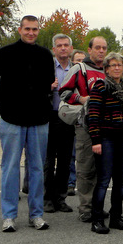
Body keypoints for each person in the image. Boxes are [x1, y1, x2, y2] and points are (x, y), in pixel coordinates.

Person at [0, 15, 55, 232]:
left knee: (36, 169)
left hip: (39, 120)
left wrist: (42, 101)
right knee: (10, 168)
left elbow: (48, 85)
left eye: (34, 29)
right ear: (20, 29)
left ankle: (36, 215)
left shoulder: (45, 55)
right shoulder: (5, 53)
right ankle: (9, 216)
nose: (31, 33)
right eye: (27, 29)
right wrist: (2, 103)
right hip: (12, 120)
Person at [59, 36, 107, 222]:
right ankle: (86, 208)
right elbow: (63, 91)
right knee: (86, 167)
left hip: (105, 126)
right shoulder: (79, 69)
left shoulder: (109, 69)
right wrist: (81, 99)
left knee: (102, 169)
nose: (101, 51)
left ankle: (97, 206)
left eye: (104, 48)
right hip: (85, 125)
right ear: (90, 50)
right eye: (97, 47)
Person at [87, 52, 123, 234]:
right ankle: (97, 219)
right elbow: (93, 114)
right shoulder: (100, 86)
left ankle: (116, 217)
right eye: (112, 65)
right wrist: (96, 140)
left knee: (120, 180)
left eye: (119, 65)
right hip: (105, 137)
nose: (116, 68)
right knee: (104, 180)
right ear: (106, 69)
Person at [43, 34, 75, 214]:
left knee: (65, 160)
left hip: (68, 119)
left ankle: (60, 198)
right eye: (59, 46)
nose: (63, 48)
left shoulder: (76, 69)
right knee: (49, 160)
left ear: (70, 49)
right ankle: (47, 198)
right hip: (49, 118)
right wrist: (48, 87)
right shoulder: (47, 69)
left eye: (65, 45)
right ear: (54, 49)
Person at [66, 49, 87, 197]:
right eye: (77, 60)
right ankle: (70, 183)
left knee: (82, 156)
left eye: (82, 61)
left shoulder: (87, 76)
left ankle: (80, 184)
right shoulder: (70, 76)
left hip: (85, 121)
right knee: (71, 154)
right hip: (70, 117)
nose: (80, 63)